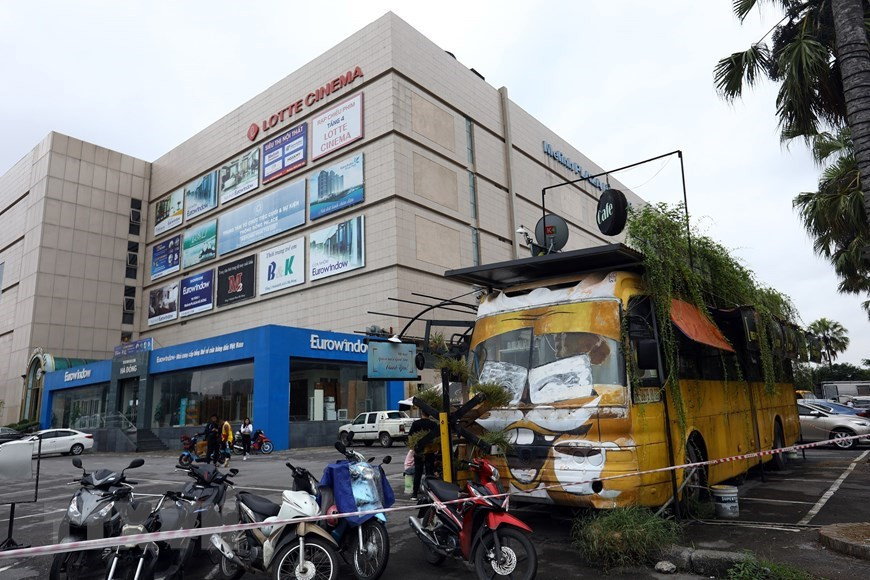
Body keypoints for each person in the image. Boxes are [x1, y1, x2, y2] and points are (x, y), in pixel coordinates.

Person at [409, 411, 438, 500]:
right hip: (430, 451)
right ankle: (431, 493)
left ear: (421, 413)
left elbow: (410, 436)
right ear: (429, 414)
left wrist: (413, 447)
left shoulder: (416, 424)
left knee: (418, 472)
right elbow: (437, 437)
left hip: (419, 451)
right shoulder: (433, 424)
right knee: (429, 472)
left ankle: (414, 494)